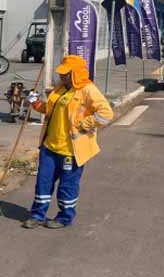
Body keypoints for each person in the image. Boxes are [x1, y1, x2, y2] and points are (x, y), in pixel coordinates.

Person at [23, 55, 113, 229]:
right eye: (62, 74)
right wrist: (35, 103)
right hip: (50, 146)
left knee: (67, 186)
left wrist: (84, 124)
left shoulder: (88, 90)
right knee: (43, 182)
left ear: (76, 73)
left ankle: (64, 217)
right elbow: (49, 110)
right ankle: (37, 215)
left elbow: (106, 113)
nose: (62, 77)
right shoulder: (60, 89)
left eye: (66, 74)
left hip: (71, 151)